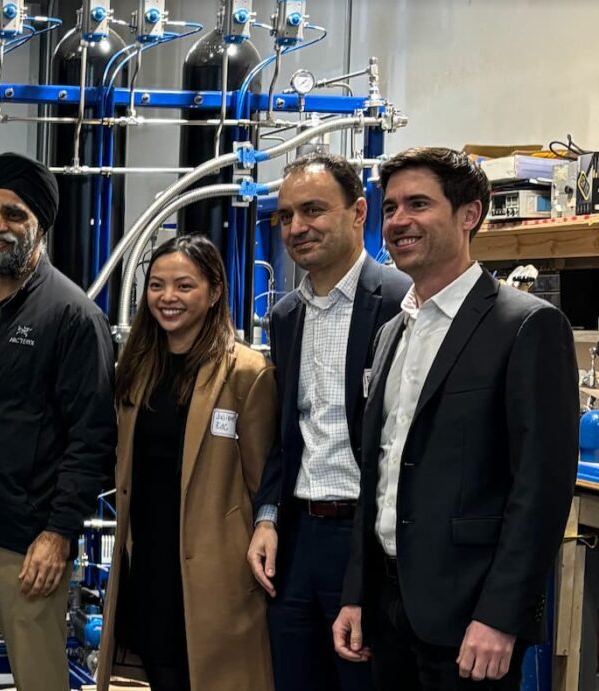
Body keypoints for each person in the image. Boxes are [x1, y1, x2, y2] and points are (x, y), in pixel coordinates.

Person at [332, 147, 577, 690]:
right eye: (391, 207)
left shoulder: (526, 326)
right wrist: (357, 594)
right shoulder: (392, 332)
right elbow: (378, 476)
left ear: (470, 214)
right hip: (390, 609)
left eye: (419, 204)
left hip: (470, 616)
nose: (399, 221)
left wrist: (500, 615)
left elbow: (540, 489)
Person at [0, 152, 117, 689]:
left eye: (13, 214)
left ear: (40, 224)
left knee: (39, 678)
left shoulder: (73, 315)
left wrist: (60, 532)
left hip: (28, 538)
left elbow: (92, 438)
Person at [248, 153, 410, 691]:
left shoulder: (401, 302)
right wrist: (267, 516)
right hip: (296, 541)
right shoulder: (286, 316)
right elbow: (285, 435)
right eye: (287, 216)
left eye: (313, 210)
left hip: (366, 543)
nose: (297, 227)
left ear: (359, 211)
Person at [95, 234, 277, 691]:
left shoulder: (247, 374)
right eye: (157, 286)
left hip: (214, 571)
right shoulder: (136, 369)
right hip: (150, 562)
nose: (167, 298)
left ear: (215, 291)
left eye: (183, 286)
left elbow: (263, 484)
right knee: (162, 673)